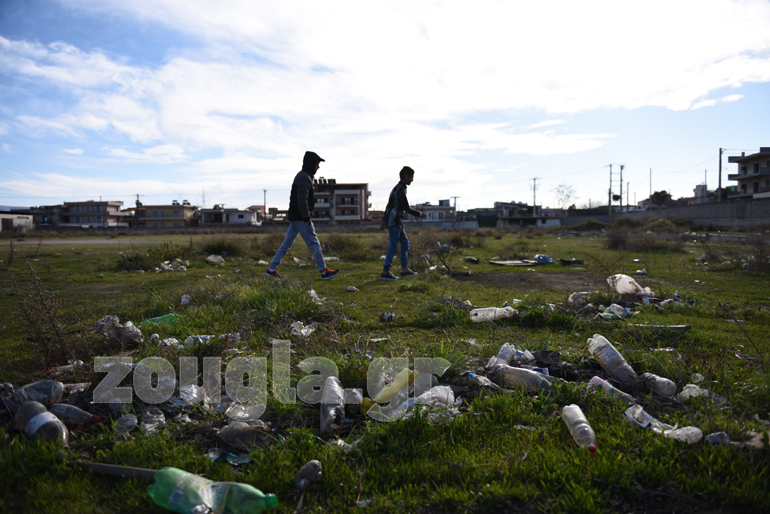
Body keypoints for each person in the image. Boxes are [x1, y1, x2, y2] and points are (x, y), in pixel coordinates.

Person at [266, 151, 340, 280]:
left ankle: (272, 269)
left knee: (286, 244)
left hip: (296, 217)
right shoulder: (304, 178)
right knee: (314, 244)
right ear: (311, 164)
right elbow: (302, 200)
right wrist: (306, 218)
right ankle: (324, 272)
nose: (318, 167)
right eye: (317, 164)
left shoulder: (304, 176)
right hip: (301, 217)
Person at [380, 166, 426, 280]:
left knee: (405, 243)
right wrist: (420, 214)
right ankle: (385, 272)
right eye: (411, 177)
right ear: (406, 176)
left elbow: (388, 207)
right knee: (393, 246)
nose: (412, 180)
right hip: (394, 221)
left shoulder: (398, 188)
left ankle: (404, 270)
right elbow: (406, 207)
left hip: (398, 222)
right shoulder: (400, 189)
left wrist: (384, 222)